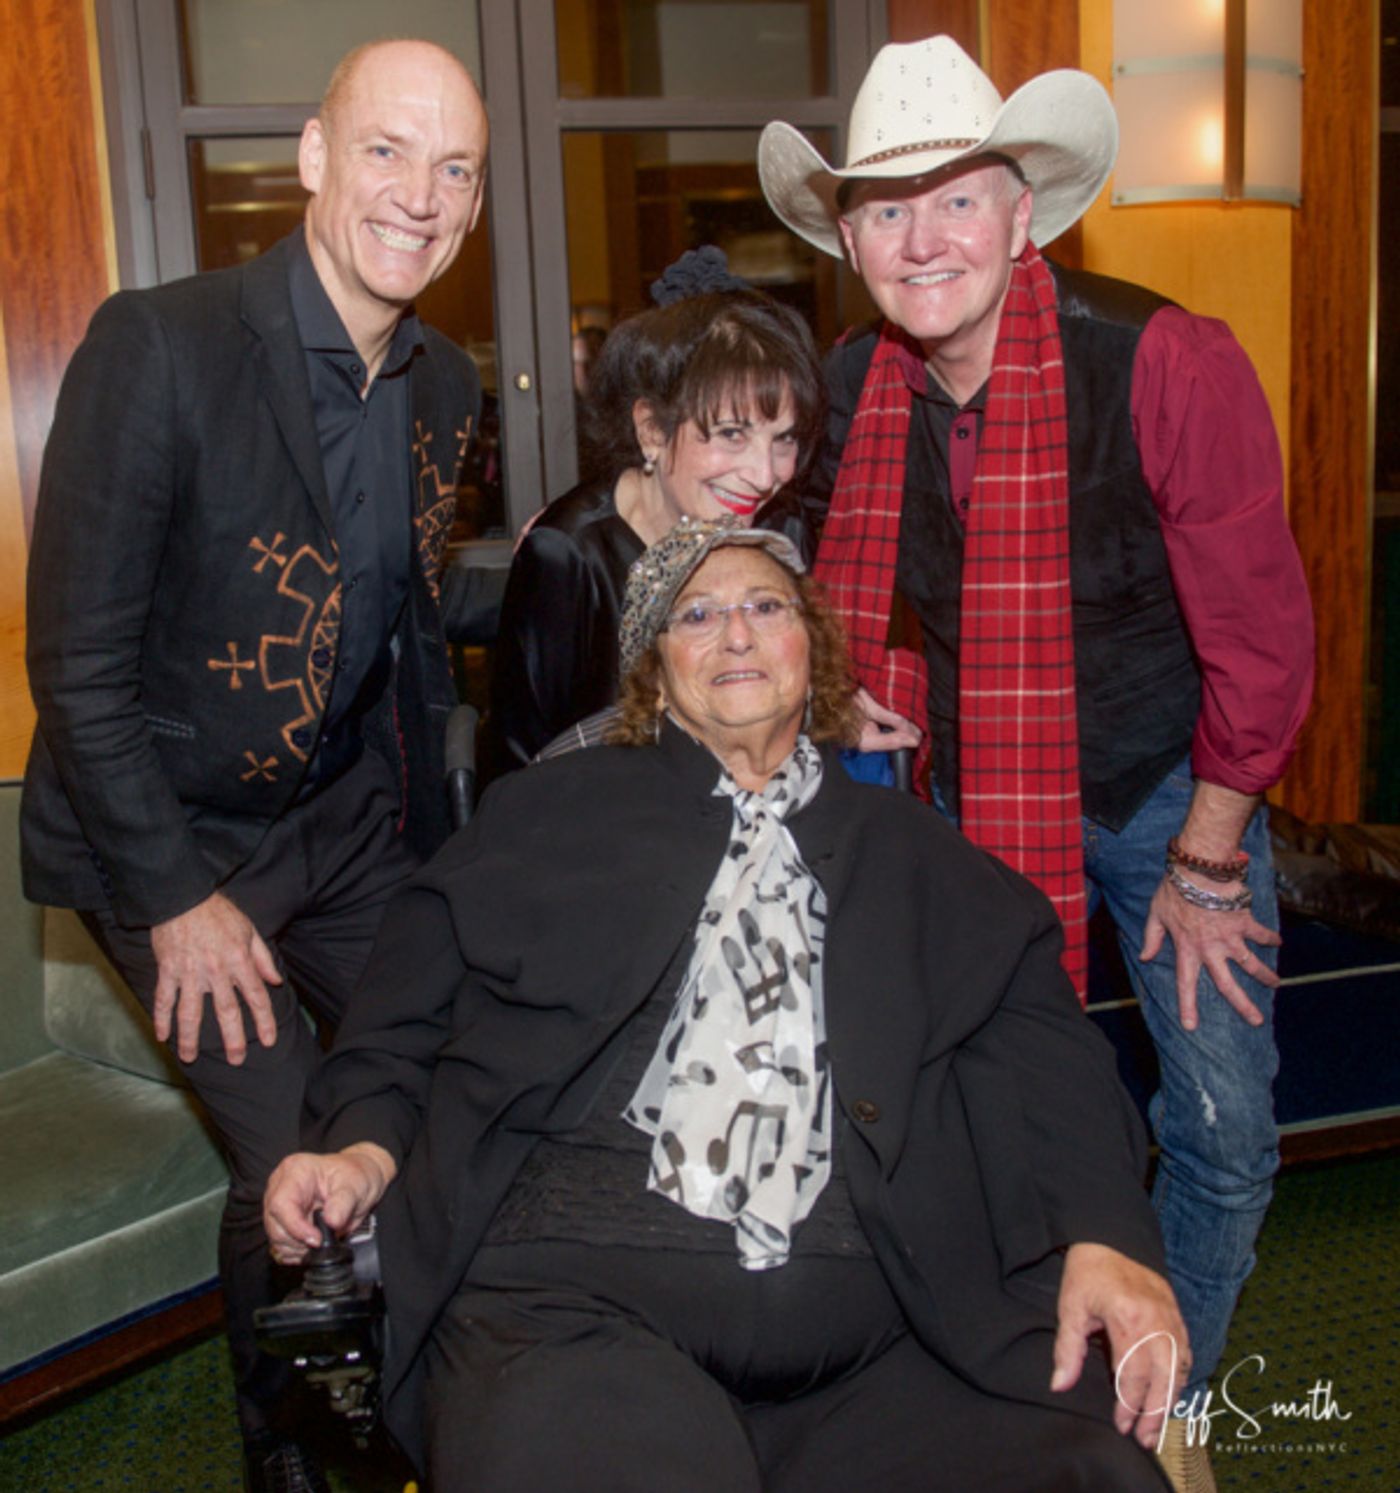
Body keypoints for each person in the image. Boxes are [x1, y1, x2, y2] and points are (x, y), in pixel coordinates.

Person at [267, 516, 1183, 1492]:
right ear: (655, 674)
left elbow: (1050, 1059)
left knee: (1091, 1477)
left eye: (763, 606)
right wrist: (361, 1146)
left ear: (812, 650)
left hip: (888, 1339)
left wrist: (1106, 1233)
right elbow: (398, 1018)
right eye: (695, 614)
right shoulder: (541, 813)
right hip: (572, 1310)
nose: (735, 633)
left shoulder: (923, 858)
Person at [757, 34, 1314, 1490]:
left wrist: (1205, 856)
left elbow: (1262, 647)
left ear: (1024, 214)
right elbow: (805, 568)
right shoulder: (854, 388)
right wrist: (843, 685)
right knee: (992, 1106)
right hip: (966, 805)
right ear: (851, 239)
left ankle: (1161, 1393)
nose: (920, 236)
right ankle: (1014, 1371)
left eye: (957, 199)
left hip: (1172, 800)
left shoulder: (1165, 362)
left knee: (1223, 1124)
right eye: (885, 207)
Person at [22, 38, 489, 1492]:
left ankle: (438, 1402)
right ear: (310, 158)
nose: (423, 195)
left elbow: (402, 621)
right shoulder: (156, 344)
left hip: (346, 825)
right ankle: (301, 1469)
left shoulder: (449, 380)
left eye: (459, 167)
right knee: (304, 1163)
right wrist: (172, 895)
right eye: (388, 151)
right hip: (167, 836)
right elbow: (76, 664)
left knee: (452, 1082)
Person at [484, 246, 823, 774]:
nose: (765, 475)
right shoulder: (570, 555)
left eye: (783, 439)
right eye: (732, 435)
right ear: (651, 430)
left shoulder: (783, 529)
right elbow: (520, 764)